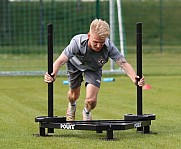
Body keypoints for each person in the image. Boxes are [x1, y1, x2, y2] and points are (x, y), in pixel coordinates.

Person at [44, 19, 145, 121]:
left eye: (101, 42)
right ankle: (72, 105)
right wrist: (52, 74)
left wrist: (134, 78)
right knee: (74, 95)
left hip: (93, 69)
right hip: (75, 65)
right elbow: (60, 60)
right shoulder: (77, 42)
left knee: (91, 100)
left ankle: (86, 112)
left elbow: (123, 63)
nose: (98, 46)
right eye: (95, 42)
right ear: (89, 36)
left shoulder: (109, 46)